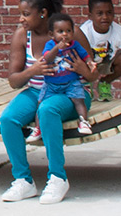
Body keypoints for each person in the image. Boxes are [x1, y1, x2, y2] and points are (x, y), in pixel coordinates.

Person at [0, 0, 92, 205]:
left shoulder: (70, 32)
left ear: (43, 14)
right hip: (37, 91)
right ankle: (23, 181)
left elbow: (92, 73)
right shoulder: (22, 36)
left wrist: (82, 70)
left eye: (26, 14)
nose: (21, 19)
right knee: (8, 119)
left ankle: (58, 178)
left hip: (71, 94)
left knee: (48, 110)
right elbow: (13, 81)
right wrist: (33, 71)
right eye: (21, 14)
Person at [25, 12, 97, 143]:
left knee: (78, 100)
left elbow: (85, 55)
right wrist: (57, 48)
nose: (65, 34)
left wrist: (90, 63)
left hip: (71, 82)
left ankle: (84, 121)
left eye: (68, 31)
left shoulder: (75, 44)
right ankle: (38, 128)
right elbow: (47, 58)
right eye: (61, 31)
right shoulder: (50, 45)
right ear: (52, 34)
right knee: (41, 105)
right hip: (51, 85)